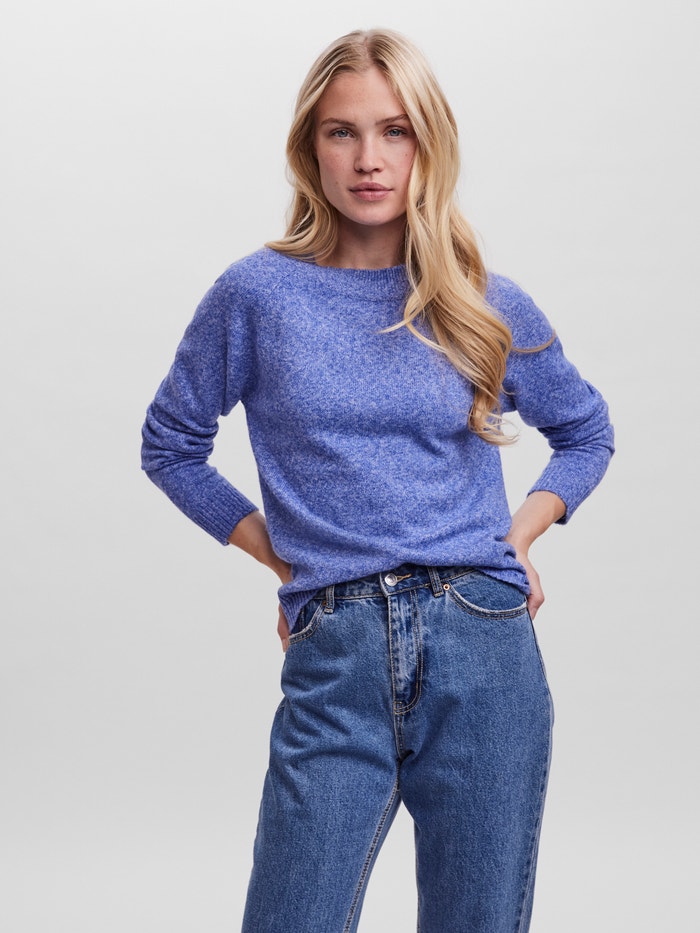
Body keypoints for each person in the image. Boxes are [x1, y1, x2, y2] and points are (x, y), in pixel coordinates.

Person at [141, 28, 614, 933]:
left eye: (395, 131)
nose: (369, 159)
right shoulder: (256, 295)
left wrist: (517, 537)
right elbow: (170, 443)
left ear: (428, 144)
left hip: (483, 643)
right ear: (309, 147)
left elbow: (586, 433)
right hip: (338, 651)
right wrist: (286, 560)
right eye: (342, 132)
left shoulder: (481, 298)